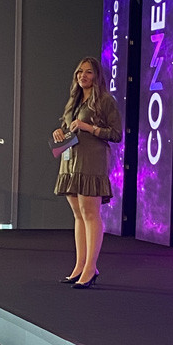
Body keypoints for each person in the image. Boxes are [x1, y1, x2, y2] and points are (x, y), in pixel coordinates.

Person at [53, 56, 121, 288]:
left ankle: (91, 268)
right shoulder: (74, 101)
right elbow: (68, 128)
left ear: (97, 76)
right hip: (71, 161)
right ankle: (80, 265)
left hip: (92, 162)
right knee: (78, 215)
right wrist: (60, 132)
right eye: (80, 72)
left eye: (89, 72)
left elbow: (116, 134)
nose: (83, 76)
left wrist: (89, 127)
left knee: (90, 214)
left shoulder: (105, 101)